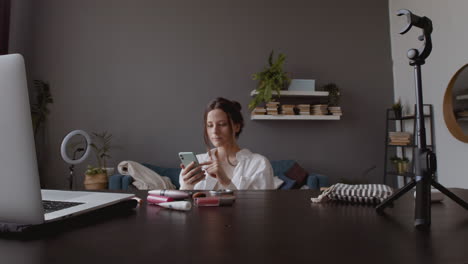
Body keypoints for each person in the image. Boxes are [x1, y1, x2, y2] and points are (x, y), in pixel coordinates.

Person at [179, 97, 274, 190]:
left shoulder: (259, 164)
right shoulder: (197, 163)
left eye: (222, 124)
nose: (215, 131)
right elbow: (184, 204)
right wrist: (187, 186)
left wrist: (226, 182)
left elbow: (262, 204)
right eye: (210, 125)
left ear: (237, 126)